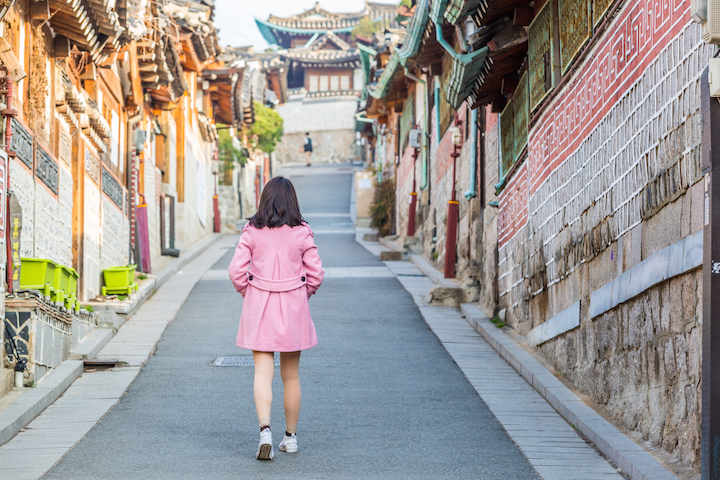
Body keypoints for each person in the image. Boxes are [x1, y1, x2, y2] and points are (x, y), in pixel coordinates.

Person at [228, 176, 324, 461]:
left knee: (262, 373)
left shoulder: (252, 231)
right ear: (292, 201)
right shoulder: (302, 232)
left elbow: (236, 271)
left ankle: (265, 432)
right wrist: (301, 293)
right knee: (291, 375)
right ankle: (291, 438)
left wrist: (250, 291)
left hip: (260, 306)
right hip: (293, 306)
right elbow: (316, 273)